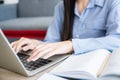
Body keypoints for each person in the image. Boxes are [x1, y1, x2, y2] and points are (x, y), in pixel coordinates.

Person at [11, 0, 120, 62]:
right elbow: (52, 41)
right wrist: (37, 44)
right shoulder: (62, 6)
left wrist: (72, 45)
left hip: (96, 64)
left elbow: (117, 40)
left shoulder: (113, 2)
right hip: (67, 63)